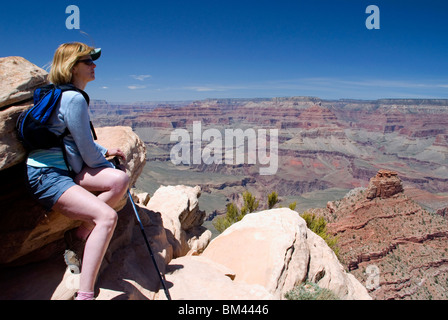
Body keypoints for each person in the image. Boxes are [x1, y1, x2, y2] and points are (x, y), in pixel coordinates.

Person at [25, 42, 129, 300]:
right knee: (107, 218)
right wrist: (104, 162)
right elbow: (85, 151)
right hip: (47, 175)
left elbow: (75, 139)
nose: (94, 66)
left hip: (66, 169)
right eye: (88, 62)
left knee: (120, 180)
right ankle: (85, 294)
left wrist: (106, 151)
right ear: (72, 67)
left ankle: (80, 232)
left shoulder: (66, 94)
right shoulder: (72, 98)